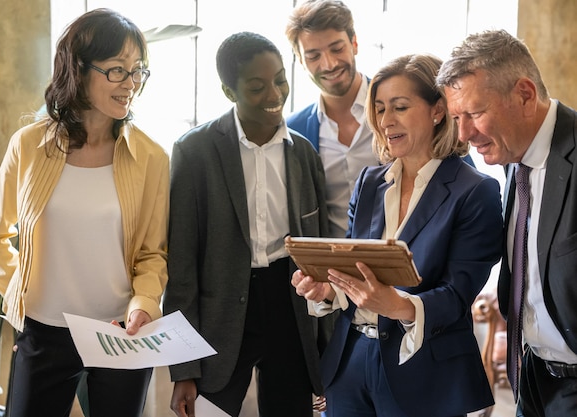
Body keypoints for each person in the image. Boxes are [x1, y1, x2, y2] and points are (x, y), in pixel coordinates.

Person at [0, 8, 169, 417]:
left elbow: (153, 254)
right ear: (78, 70)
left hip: (121, 332)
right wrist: (21, 301)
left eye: (138, 71)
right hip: (43, 332)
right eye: (117, 70)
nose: (131, 83)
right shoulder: (29, 146)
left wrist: (143, 304)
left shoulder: (150, 157)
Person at [291, 54, 503, 417]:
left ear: (438, 110)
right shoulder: (370, 182)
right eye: (379, 109)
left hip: (424, 370)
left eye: (400, 107)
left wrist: (398, 306)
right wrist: (329, 288)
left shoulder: (475, 191)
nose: (386, 121)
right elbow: (357, 269)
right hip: (350, 362)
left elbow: (456, 295)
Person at [162, 31, 328, 417]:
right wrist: (182, 369)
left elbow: (319, 250)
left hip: (289, 300)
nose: (274, 95)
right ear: (228, 90)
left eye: (280, 81)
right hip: (220, 313)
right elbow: (182, 265)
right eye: (257, 86)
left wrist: (323, 348)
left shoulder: (303, 152)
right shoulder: (194, 152)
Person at [437, 29, 577, 417]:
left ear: (525, 95)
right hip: (531, 377)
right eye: (456, 118)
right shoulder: (514, 159)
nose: (464, 134)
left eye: (475, 114)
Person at [285, 0, 378, 239]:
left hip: (406, 264)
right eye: (314, 56)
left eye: (337, 49)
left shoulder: (399, 105)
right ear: (300, 59)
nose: (329, 64)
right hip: (332, 270)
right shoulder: (293, 131)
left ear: (354, 43)